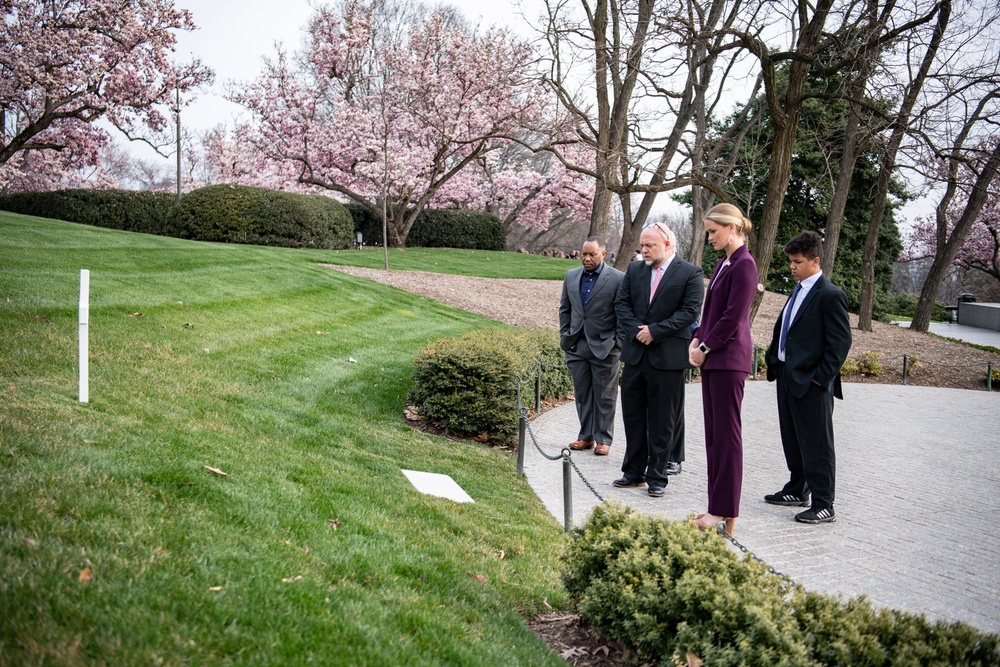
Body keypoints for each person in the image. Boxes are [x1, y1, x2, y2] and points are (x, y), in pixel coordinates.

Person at [764, 230, 852, 524]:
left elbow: (840, 343)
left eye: (797, 261)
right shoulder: (798, 288)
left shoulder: (831, 295)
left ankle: (824, 503)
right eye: (790, 261)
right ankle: (797, 488)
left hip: (812, 383)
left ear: (815, 261)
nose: (792, 266)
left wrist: (820, 378)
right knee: (793, 437)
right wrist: (775, 361)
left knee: (818, 443)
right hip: (788, 377)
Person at [613, 222, 704, 497]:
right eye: (642, 245)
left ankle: (657, 476)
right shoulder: (635, 269)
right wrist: (638, 332)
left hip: (667, 359)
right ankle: (633, 471)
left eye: (650, 245)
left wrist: (655, 331)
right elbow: (621, 304)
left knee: (663, 420)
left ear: (668, 244)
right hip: (636, 355)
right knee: (633, 415)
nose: (644, 250)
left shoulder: (690, 273)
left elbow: (689, 312)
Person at [688, 203, 758, 536]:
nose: (710, 238)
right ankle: (717, 506)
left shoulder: (745, 265)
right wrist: (697, 339)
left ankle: (725, 510)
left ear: (732, 228)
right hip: (714, 358)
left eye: (714, 232)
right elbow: (710, 311)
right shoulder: (722, 264)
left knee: (728, 438)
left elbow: (733, 317)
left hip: (729, 361)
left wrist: (704, 347)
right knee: (714, 438)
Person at [559, 238, 625, 456]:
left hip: (605, 347)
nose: (586, 258)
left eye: (592, 255)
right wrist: (566, 335)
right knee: (583, 394)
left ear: (603, 254)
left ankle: (603, 439)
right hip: (577, 345)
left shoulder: (617, 279)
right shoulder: (571, 276)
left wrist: (617, 342)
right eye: (584, 254)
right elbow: (565, 309)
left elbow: (623, 315)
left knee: (605, 396)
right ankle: (585, 436)